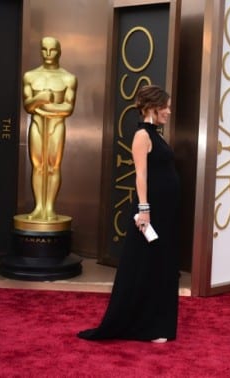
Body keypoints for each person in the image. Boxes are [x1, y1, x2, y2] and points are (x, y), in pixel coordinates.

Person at [78, 85, 180, 343]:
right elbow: (141, 175)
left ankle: (157, 324)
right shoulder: (142, 136)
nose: (169, 111)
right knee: (145, 267)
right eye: (165, 106)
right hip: (150, 214)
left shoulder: (155, 135)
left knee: (161, 266)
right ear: (153, 107)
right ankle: (146, 326)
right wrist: (144, 210)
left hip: (165, 213)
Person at [22, 36, 77, 221]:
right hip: (37, 125)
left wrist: (42, 107)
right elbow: (27, 105)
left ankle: (50, 207)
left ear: (59, 51)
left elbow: (68, 108)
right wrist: (42, 98)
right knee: (38, 166)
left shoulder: (68, 78)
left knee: (53, 166)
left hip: (57, 126)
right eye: (44, 49)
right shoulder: (30, 76)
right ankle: (39, 207)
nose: (47, 54)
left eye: (52, 50)